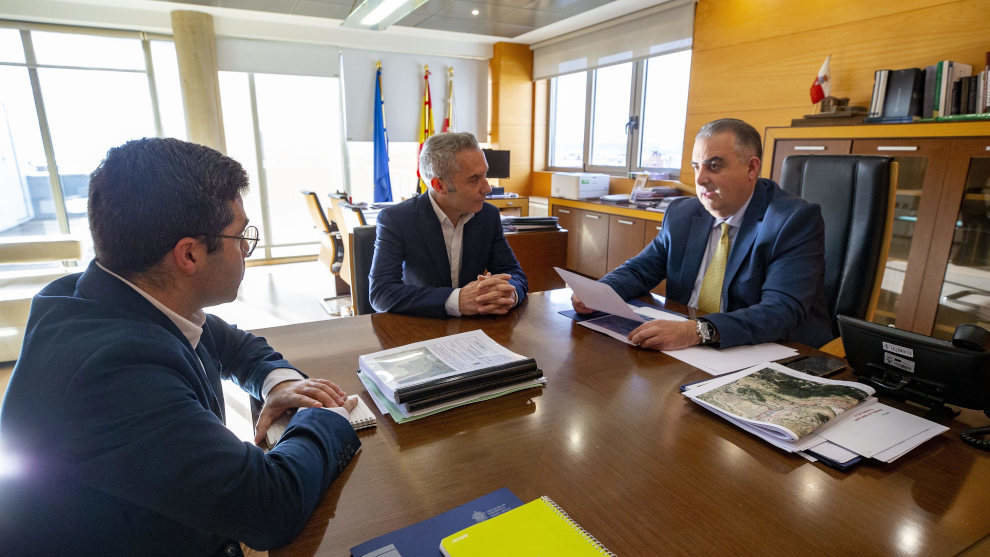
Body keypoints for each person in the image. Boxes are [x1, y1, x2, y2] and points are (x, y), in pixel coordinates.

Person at [0, 138, 360, 556]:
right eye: (240, 235)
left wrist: (275, 382)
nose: (246, 248)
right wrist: (329, 418)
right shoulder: (114, 373)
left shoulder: (104, 292)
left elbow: (235, 345)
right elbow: (269, 507)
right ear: (188, 255)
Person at [573, 118, 831, 350]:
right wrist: (600, 292)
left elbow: (780, 312)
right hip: (690, 348)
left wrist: (699, 330)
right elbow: (640, 269)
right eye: (696, 167)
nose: (700, 179)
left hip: (771, 352)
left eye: (714, 166)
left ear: (752, 169)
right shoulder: (683, 214)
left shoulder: (791, 220)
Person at [369, 132, 527, 318]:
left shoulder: (488, 216)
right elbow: (381, 293)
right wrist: (456, 300)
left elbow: (513, 273)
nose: (487, 188)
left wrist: (508, 294)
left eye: (485, 175)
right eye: (474, 179)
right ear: (439, 185)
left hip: (474, 330)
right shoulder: (397, 219)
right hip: (420, 327)